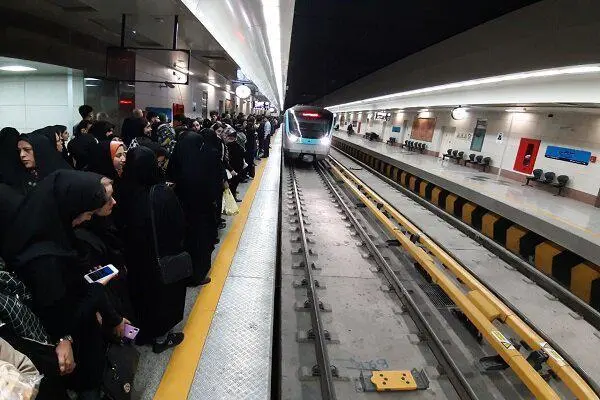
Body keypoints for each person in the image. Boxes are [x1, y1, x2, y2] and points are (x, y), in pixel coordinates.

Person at [1, 170, 127, 399]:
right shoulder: (45, 260)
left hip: (73, 333)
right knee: (89, 385)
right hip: (72, 344)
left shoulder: (44, 228)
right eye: (87, 213)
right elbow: (60, 313)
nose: (88, 218)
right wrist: (97, 288)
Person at [119, 146, 186, 352]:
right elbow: (178, 225)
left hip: (132, 258)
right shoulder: (161, 193)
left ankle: (138, 335)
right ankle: (159, 339)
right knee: (160, 298)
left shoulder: (120, 191)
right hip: (159, 257)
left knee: (138, 296)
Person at [168, 131, 221, 286]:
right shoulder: (203, 162)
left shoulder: (175, 160)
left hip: (180, 211)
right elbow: (212, 190)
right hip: (201, 213)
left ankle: (182, 274)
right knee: (199, 243)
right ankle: (197, 275)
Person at [224, 128, 245, 201]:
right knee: (234, 184)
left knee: (229, 185)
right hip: (236, 169)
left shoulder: (225, 146)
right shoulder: (239, 147)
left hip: (228, 168)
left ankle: (231, 197)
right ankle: (233, 197)